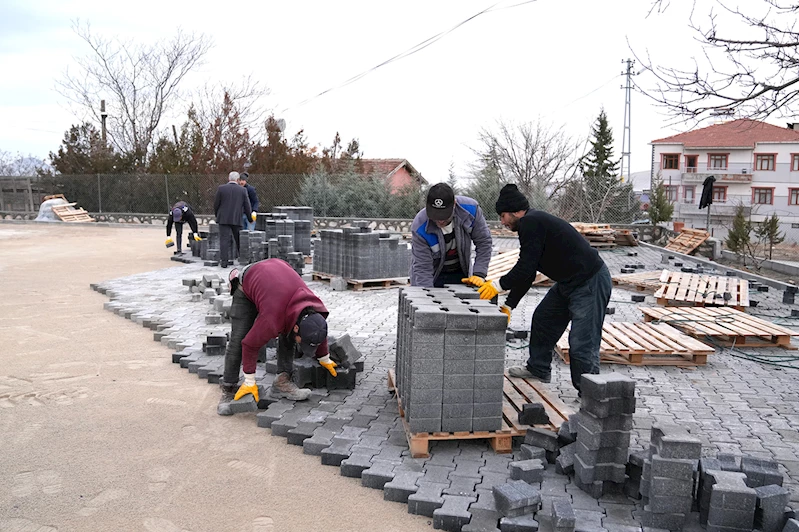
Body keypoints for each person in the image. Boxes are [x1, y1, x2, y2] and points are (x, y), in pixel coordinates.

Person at [468, 184, 611, 393]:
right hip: (568, 282)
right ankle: (538, 368)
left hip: (590, 282)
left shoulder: (530, 222)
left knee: (582, 343)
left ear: (516, 212)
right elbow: (529, 272)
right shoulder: (531, 224)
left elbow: (524, 267)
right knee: (543, 319)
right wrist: (509, 305)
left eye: (503, 216)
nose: (502, 221)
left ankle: (591, 396)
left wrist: (497, 286)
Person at [217, 258, 339, 415]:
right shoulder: (272, 318)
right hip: (247, 284)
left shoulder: (313, 308)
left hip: (276, 280)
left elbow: (318, 328)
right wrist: (249, 380)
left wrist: (325, 358)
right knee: (238, 340)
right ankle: (229, 390)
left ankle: (282, 382)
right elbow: (250, 344)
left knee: (289, 332)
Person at [410, 183, 492, 288]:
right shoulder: (420, 226)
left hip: (460, 271)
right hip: (433, 274)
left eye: (444, 215)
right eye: (435, 215)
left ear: (454, 204)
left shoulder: (471, 211)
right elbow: (423, 269)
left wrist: (479, 273)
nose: (440, 220)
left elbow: (484, 242)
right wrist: (426, 297)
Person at [214, 171, 254, 268]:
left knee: (224, 240)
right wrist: (250, 218)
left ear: (229, 179)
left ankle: (224, 262)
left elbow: (216, 204)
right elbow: (247, 206)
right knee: (239, 239)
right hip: (236, 218)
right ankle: (242, 259)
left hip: (223, 219)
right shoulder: (242, 190)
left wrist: (217, 215)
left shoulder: (221, 189)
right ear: (237, 180)